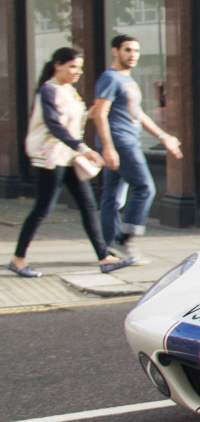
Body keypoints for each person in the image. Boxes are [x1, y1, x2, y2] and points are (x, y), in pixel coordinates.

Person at [9, 47, 133, 278]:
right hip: (50, 157)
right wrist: (84, 149)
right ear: (58, 65)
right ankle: (18, 260)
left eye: (80, 68)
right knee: (42, 209)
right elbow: (54, 125)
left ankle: (104, 257)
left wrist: (91, 113)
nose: (78, 72)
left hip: (67, 157)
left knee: (87, 206)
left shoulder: (70, 91)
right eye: (73, 66)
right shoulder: (48, 90)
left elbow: (72, 121)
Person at [91, 34, 182, 265]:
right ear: (115, 51)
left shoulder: (126, 79)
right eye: (127, 50)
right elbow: (100, 113)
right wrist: (109, 148)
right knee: (144, 188)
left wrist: (163, 136)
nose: (133, 55)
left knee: (111, 197)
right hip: (121, 142)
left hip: (126, 140)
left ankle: (110, 250)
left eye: (136, 51)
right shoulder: (110, 78)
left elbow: (137, 113)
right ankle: (125, 240)